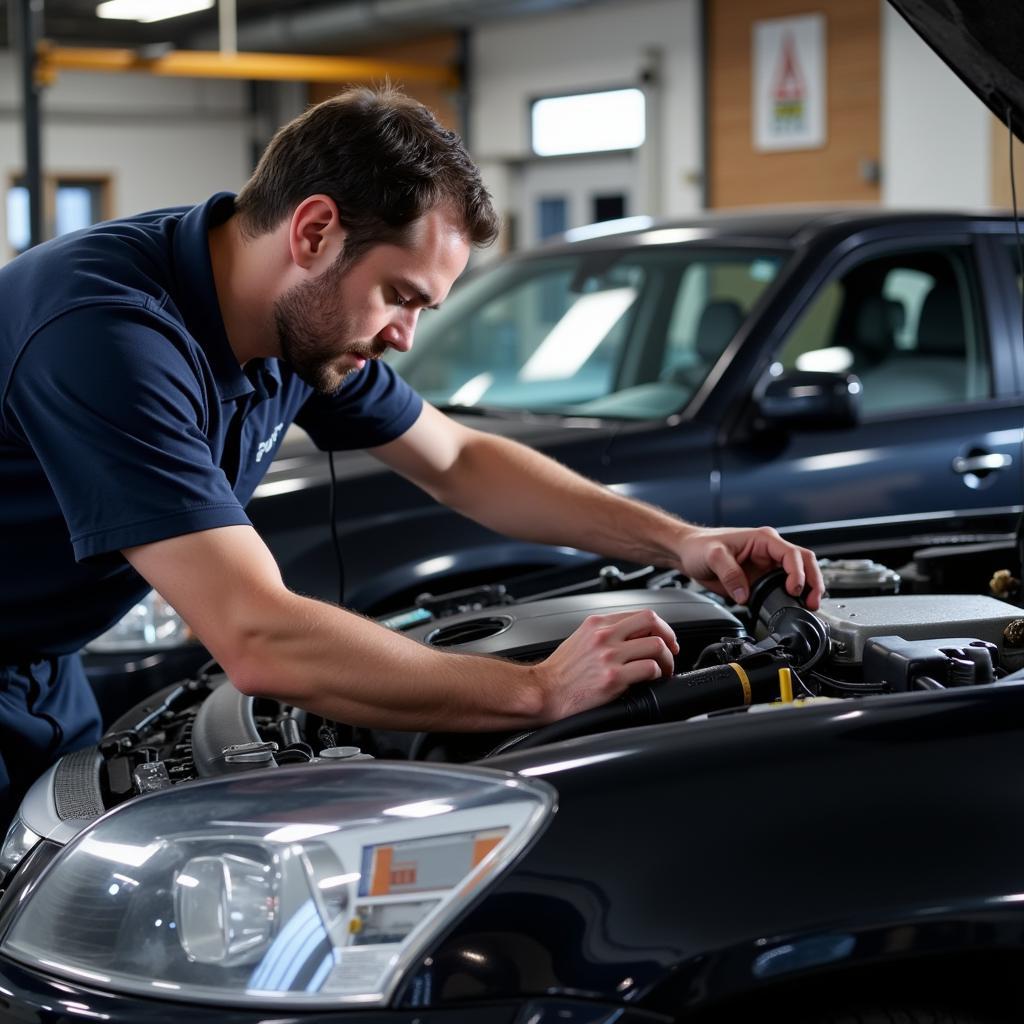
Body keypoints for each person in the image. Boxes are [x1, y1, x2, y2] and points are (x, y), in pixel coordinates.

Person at [0, 85, 822, 828]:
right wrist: (537, 690)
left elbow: (459, 459)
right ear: (315, 231)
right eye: (400, 295)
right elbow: (256, 636)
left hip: (40, 669)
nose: (404, 336)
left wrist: (681, 541)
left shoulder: (292, 324)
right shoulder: (106, 335)